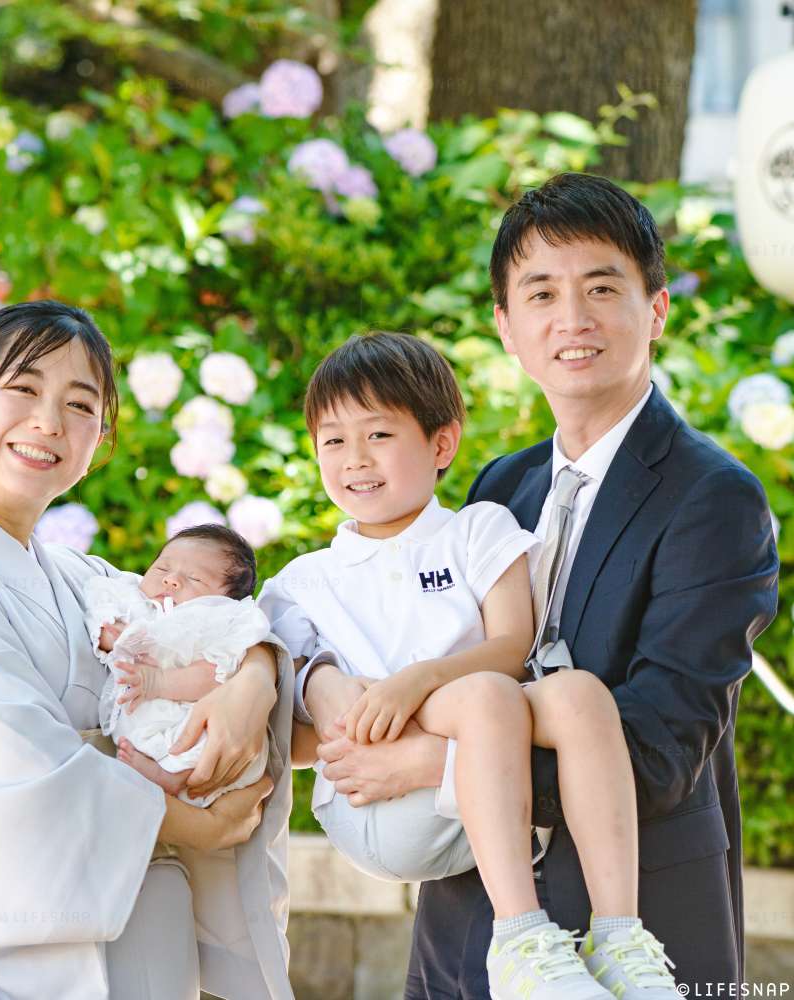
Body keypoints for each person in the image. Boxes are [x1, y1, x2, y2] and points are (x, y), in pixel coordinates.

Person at [304, 173, 780, 998]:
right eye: (541, 294)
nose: (572, 318)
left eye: (602, 287)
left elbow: (661, 748)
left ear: (656, 309)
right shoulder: (499, 488)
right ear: (506, 326)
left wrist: (434, 766)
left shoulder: (714, 498)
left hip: (642, 929)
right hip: (467, 931)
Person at [0, 301, 294, 1000]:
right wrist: (194, 827)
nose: (48, 421)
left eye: (79, 405)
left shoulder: (86, 581)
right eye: (23, 388)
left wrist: (253, 681)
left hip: (149, 923)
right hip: (3, 952)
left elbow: (218, 624)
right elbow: (13, 764)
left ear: (96, 444)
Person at [259, 332, 679, 999]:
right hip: (377, 805)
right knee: (486, 695)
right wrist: (337, 691)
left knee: (577, 694)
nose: (354, 458)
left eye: (378, 434)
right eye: (333, 441)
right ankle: (519, 938)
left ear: (441, 444)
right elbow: (295, 726)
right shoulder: (301, 582)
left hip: (480, 771)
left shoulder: (478, 530)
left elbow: (513, 645)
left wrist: (416, 680)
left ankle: (619, 937)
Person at [86, 524, 271, 806]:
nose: (171, 580)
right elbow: (99, 615)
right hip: (138, 714)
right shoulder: (130, 597)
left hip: (191, 711)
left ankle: (176, 775)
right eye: (162, 568)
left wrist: (158, 682)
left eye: (195, 578)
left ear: (227, 598)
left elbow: (215, 674)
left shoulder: (222, 618)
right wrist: (112, 635)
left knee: (213, 734)